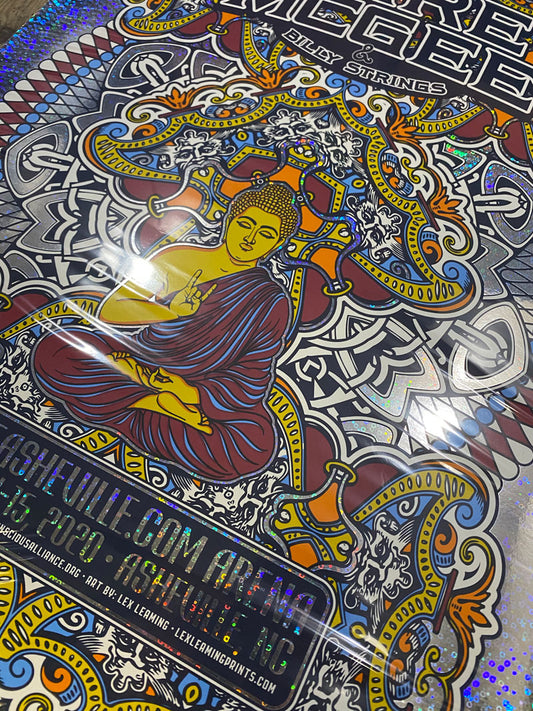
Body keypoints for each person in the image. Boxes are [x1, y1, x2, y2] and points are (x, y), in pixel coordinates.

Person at [33, 182, 301, 481]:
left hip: (194, 388)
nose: (250, 239)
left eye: (266, 234)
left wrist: (188, 392)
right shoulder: (181, 257)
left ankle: (132, 401)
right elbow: (110, 310)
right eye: (245, 224)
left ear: (277, 243)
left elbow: (253, 372)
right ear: (229, 220)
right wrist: (171, 309)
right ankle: (153, 404)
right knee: (56, 350)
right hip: (142, 359)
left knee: (254, 448)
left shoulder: (270, 300)